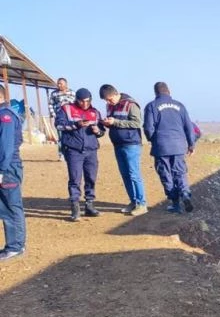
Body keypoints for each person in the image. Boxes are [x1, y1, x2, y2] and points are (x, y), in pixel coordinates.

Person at [143, 82, 196, 213]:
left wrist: (153, 140)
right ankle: (185, 193)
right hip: (179, 146)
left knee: (166, 174)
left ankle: (175, 203)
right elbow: (189, 127)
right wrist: (191, 144)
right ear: (169, 91)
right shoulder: (180, 106)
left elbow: (148, 128)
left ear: (156, 92)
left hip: (161, 146)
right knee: (180, 172)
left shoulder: (151, 106)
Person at [55, 88, 105, 221]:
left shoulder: (95, 112)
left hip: (91, 151)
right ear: (76, 99)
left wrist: (98, 131)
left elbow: (102, 132)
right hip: (74, 150)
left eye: (87, 101)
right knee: (75, 179)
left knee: (91, 178)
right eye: (82, 101)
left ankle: (89, 205)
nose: (85, 104)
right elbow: (59, 126)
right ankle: (75, 208)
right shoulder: (66, 109)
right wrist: (76, 125)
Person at [99, 84, 147, 215]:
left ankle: (142, 204)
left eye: (109, 99)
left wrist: (115, 122)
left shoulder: (131, 104)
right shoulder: (110, 106)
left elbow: (137, 123)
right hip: (117, 144)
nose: (108, 102)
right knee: (125, 175)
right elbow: (114, 122)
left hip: (131, 144)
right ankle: (133, 201)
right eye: (106, 101)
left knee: (134, 174)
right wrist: (107, 123)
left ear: (115, 94)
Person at [0, 86, 26, 262]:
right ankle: (14, 244)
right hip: (6, 166)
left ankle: (16, 246)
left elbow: (6, 146)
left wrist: (1, 170)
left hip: (7, 168)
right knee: (5, 206)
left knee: (11, 206)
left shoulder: (5, 116)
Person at [48, 77, 75, 161]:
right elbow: (50, 104)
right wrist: (54, 115)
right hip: (59, 119)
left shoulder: (72, 93)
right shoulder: (54, 94)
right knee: (61, 137)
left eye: (61, 84)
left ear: (66, 84)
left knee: (72, 136)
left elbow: (77, 104)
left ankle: (71, 154)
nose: (59, 85)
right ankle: (61, 155)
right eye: (58, 84)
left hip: (71, 119)